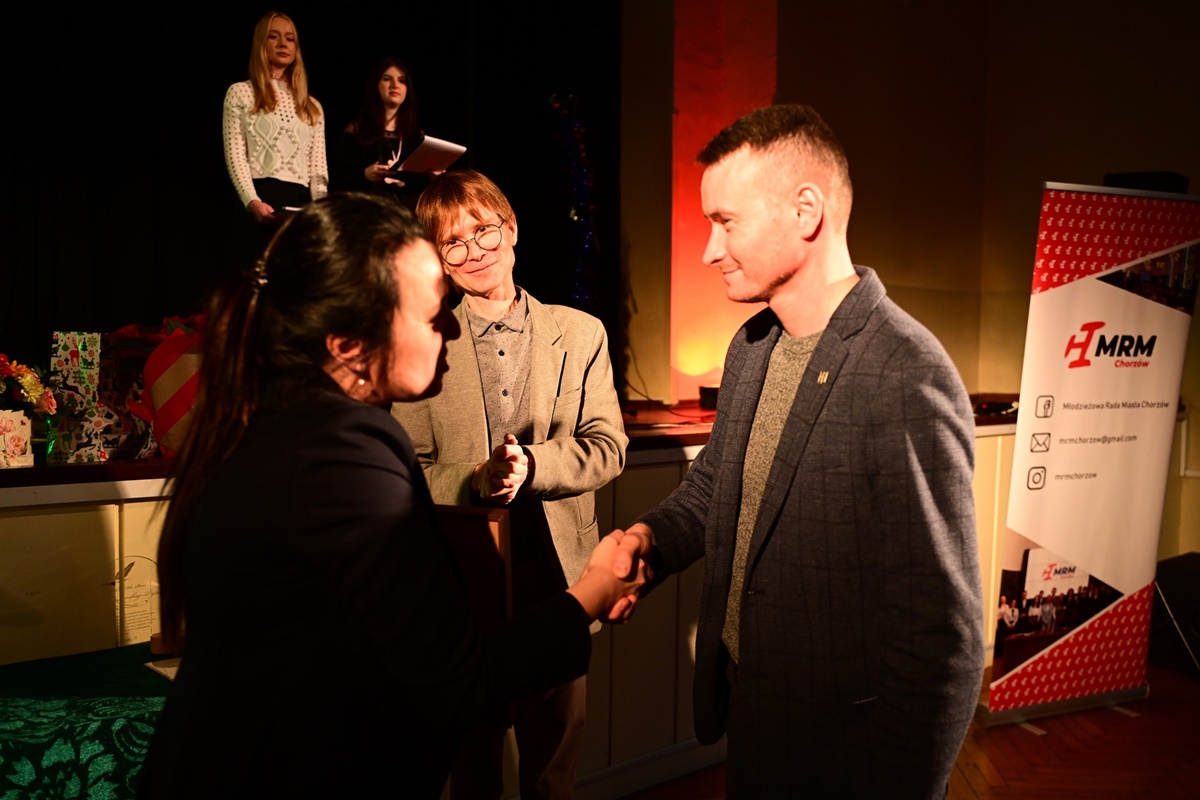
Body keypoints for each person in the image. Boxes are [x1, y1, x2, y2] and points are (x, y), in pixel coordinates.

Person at [137, 193, 644, 800]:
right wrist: (592, 593)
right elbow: (458, 679)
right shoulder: (346, 454)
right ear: (348, 344)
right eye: (430, 314)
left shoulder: (277, 421)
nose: (451, 326)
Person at [609, 104, 983, 798]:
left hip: (848, 752)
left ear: (805, 210)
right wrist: (648, 541)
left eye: (726, 222)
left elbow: (941, 641)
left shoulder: (906, 371)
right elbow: (717, 486)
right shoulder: (751, 347)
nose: (709, 250)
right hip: (756, 718)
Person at [391, 170, 627, 800]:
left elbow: (609, 449)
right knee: (473, 772)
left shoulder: (582, 333)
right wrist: (474, 479)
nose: (474, 250)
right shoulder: (424, 337)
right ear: (437, 257)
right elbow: (404, 472)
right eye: (453, 242)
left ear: (512, 228)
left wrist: (534, 468)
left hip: (559, 580)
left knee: (552, 775)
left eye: (484, 230)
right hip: (462, 583)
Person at [222, 11, 328, 235]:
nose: (283, 44)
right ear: (261, 42)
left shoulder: (312, 106)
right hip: (260, 200)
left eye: (290, 39)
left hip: (300, 206)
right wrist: (252, 201)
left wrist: (321, 214)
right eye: (273, 37)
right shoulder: (241, 93)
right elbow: (236, 156)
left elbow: (318, 167)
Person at [331, 56, 433, 212]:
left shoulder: (415, 134)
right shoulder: (358, 129)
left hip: (406, 214)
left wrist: (433, 175)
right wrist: (365, 175)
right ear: (376, 85)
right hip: (367, 212)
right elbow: (336, 179)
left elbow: (422, 185)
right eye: (387, 79)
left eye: (401, 80)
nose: (395, 85)